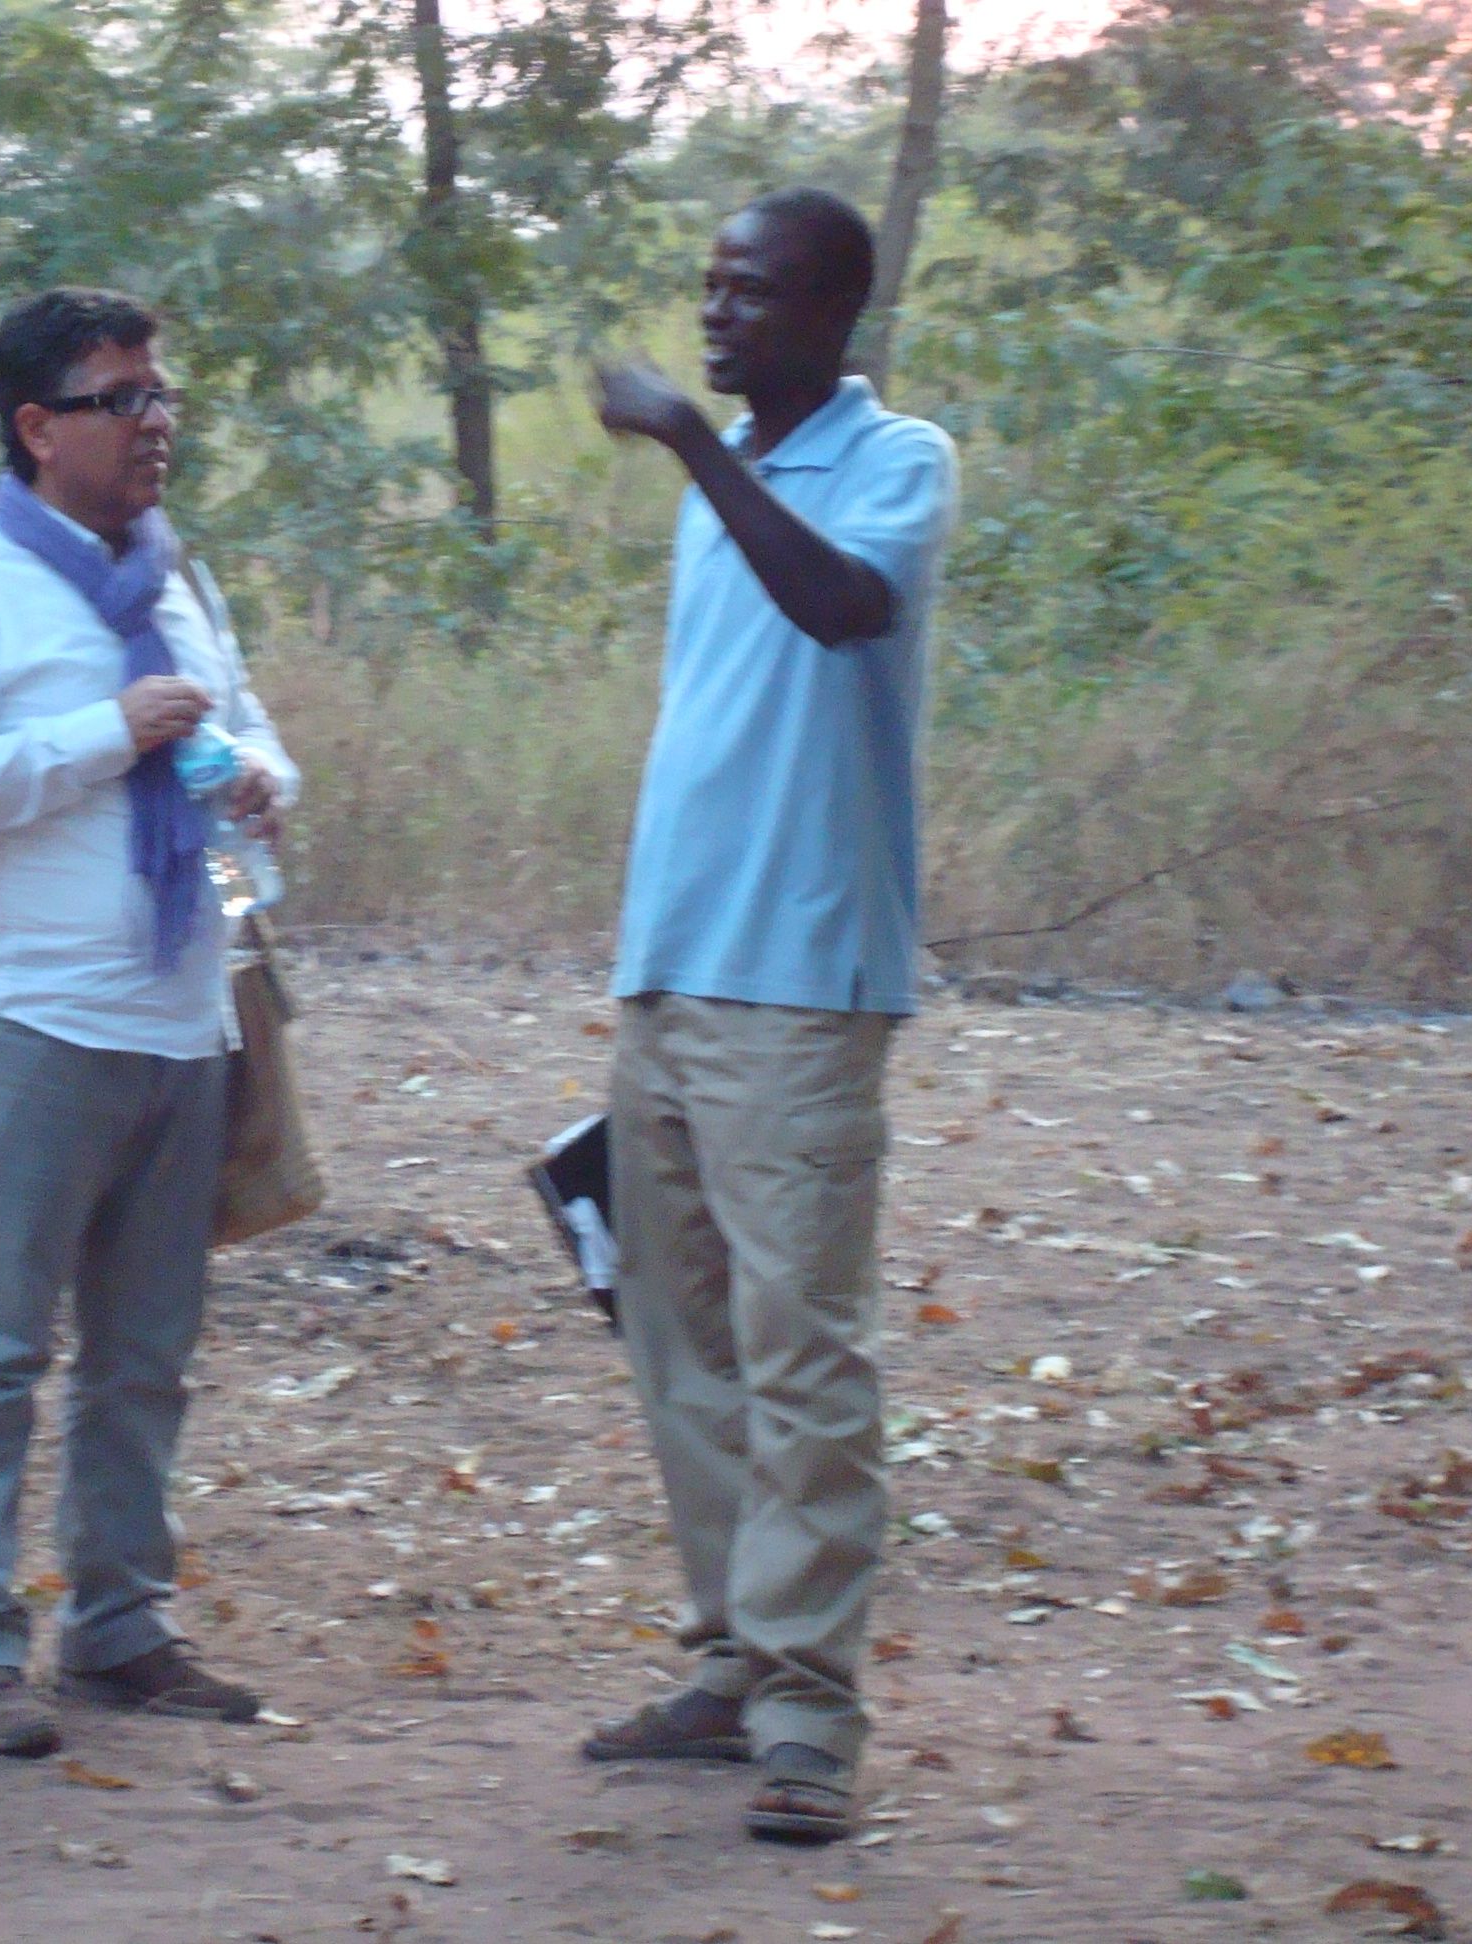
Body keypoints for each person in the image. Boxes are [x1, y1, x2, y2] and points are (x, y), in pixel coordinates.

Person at [0, 288, 298, 1758]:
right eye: (122, 398)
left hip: (182, 1018)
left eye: (162, 393)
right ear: (39, 428)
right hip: (28, 1021)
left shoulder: (179, 585)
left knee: (145, 1357)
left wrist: (251, 776)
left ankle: (121, 1627)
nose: (156, 420)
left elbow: (244, 725)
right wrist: (102, 738)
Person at [583, 188, 958, 1844]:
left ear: (839, 313)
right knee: (682, 1342)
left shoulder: (898, 463)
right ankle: (737, 1661)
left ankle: (813, 1715)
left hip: (803, 987)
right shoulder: (722, 481)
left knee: (805, 1350)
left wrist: (690, 445)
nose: (718, 315)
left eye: (753, 291)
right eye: (710, 287)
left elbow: (840, 609)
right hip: (672, 968)